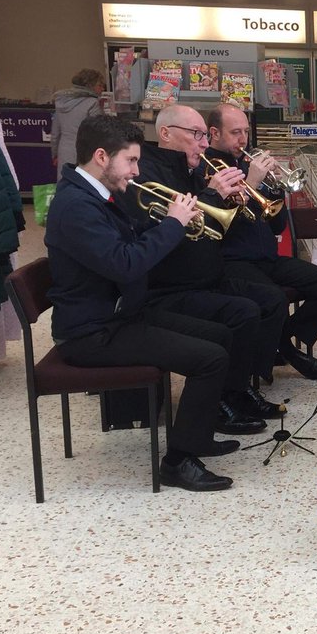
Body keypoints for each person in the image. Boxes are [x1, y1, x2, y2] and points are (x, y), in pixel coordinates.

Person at [45, 115, 237, 492]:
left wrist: (167, 219)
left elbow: (126, 243)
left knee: (221, 335)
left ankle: (194, 437)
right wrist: (173, 225)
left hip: (118, 315)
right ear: (102, 156)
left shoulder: (93, 195)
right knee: (210, 359)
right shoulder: (76, 207)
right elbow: (125, 264)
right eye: (131, 161)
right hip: (92, 332)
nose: (136, 170)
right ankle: (178, 462)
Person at [123, 104, 287, 431]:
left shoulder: (191, 167)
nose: (202, 143)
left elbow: (216, 227)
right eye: (195, 135)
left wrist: (233, 199)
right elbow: (175, 232)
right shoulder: (149, 173)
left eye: (203, 135)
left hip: (205, 272)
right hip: (171, 285)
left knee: (269, 301)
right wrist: (214, 196)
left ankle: (238, 390)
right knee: (242, 314)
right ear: (166, 133)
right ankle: (224, 399)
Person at [207, 103, 317, 380]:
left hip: (265, 257)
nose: (243, 140)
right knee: (273, 300)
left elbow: (277, 225)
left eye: (245, 131)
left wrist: (276, 188)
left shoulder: (246, 164)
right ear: (214, 133)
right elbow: (222, 226)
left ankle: (283, 340)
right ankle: (280, 352)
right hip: (232, 259)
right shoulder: (208, 170)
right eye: (235, 133)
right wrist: (253, 185)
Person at [51, 68, 105, 179]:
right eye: (100, 85)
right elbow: (99, 130)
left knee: (65, 183)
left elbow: (55, 133)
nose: (102, 89)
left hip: (64, 150)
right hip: (85, 152)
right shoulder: (92, 103)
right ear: (91, 85)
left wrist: (55, 154)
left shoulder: (61, 101)